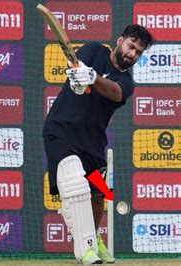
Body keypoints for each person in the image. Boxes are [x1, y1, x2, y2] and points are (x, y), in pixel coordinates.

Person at [43, 24, 154, 264]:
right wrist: (78, 79)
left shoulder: (127, 82)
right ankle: (86, 250)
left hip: (92, 144)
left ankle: (94, 238)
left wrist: (92, 78)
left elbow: (114, 92)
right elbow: (74, 72)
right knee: (76, 185)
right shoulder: (93, 50)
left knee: (98, 194)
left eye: (138, 52)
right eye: (131, 46)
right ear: (120, 40)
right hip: (61, 130)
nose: (132, 54)